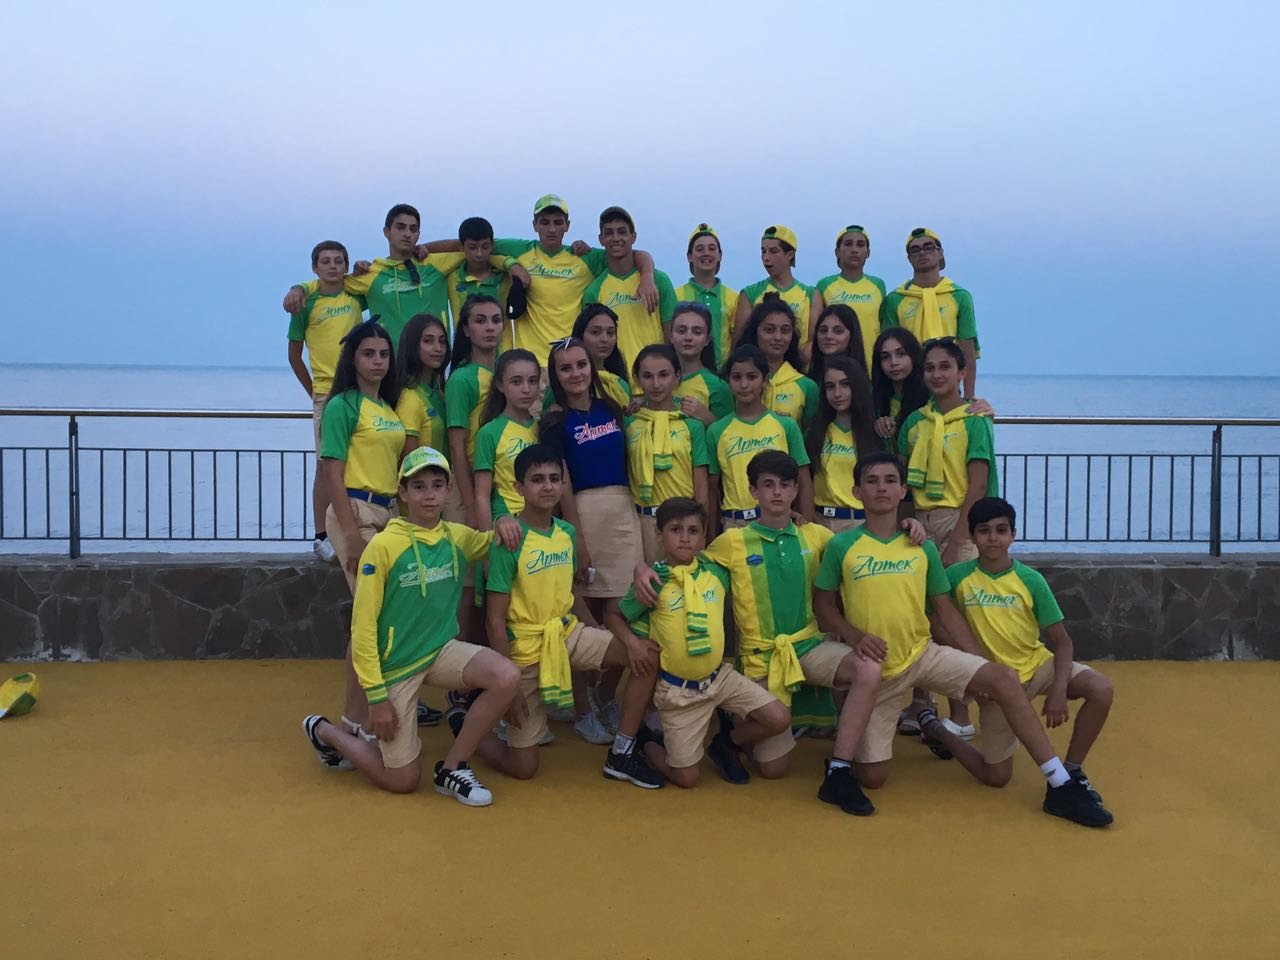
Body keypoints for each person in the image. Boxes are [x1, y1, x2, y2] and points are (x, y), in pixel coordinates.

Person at [812, 451, 1112, 826]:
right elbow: (823, 605)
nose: (881, 488)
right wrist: (854, 636)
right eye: (872, 481)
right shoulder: (842, 546)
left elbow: (944, 610)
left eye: (890, 481)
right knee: (873, 777)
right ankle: (894, 737)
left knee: (1002, 678)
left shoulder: (920, 545)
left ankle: (1060, 784)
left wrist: (978, 664)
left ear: (903, 490)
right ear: (857, 491)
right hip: (878, 668)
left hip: (924, 654)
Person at [631, 451, 885, 791]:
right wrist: (642, 568)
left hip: (809, 647)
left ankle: (839, 767)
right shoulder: (731, 542)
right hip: (761, 658)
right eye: (768, 485)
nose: (777, 492)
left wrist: (908, 527)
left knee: (868, 669)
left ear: (796, 491)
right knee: (773, 769)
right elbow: (685, 562)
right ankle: (730, 738)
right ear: (753, 491)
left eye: (785, 485)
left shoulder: (817, 536)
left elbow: (867, 543)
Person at [301, 447, 524, 806]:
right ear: (402, 493)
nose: (429, 495)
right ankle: (325, 731)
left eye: (437, 485)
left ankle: (453, 768)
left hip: (440, 651)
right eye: (418, 487)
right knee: (402, 780)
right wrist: (377, 700)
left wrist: (501, 520)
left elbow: (492, 542)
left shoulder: (457, 536)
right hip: (397, 667)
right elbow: (362, 628)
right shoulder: (383, 547)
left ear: (448, 490)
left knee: (507, 677)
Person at [912, 497, 1115, 809]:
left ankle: (1073, 771)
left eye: (1001, 530)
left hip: (1037, 667)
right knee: (996, 777)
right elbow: (934, 619)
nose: (993, 538)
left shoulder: (1031, 580)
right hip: (995, 683)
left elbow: (1062, 643)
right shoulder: (956, 577)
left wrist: (1059, 690)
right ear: (972, 536)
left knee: (1101, 688)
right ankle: (936, 728)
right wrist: (972, 668)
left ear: (1013, 535)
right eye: (984, 531)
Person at [483, 444, 663, 787]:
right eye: (537, 479)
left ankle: (622, 752)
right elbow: (494, 620)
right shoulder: (510, 540)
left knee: (646, 655)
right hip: (525, 651)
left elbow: (571, 593)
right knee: (524, 768)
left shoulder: (565, 533)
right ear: (519, 488)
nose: (548, 486)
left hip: (567, 635)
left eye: (555, 479)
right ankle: (470, 727)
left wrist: (599, 632)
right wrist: (509, 686)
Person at [608, 497, 790, 787]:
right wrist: (631, 642)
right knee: (687, 778)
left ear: (704, 536)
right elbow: (614, 615)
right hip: (680, 692)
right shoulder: (653, 581)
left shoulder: (717, 572)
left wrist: (792, 521)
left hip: (721, 679)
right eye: (675, 530)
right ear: (659, 534)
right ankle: (646, 742)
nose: (685, 538)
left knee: (779, 718)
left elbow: (752, 544)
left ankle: (727, 741)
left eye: (693, 531)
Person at [539, 337, 643, 743]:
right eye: (565, 368)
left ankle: (604, 695)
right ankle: (582, 708)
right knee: (582, 619)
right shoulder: (553, 422)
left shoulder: (611, 409)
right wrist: (576, 536)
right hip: (581, 512)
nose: (575, 373)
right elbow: (560, 480)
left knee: (626, 611)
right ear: (556, 376)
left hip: (622, 511)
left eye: (581, 364)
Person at [317, 318, 411, 740]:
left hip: (387, 512)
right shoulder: (343, 406)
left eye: (384, 354)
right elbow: (331, 473)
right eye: (368, 354)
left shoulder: (387, 409)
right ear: (352, 359)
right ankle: (356, 721)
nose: (378, 361)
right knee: (373, 615)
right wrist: (351, 534)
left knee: (373, 615)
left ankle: (355, 722)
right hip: (355, 511)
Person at [282, 204, 509, 344]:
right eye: (400, 227)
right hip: (391, 369)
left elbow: (472, 244)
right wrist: (299, 288)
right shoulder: (371, 273)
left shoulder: (435, 264)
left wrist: (427, 247)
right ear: (386, 232)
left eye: (413, 229)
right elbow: (330, 281)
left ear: (418, 234)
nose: (407, 234)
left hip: (435, 363)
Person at [489, 195, 659, 368]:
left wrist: (647, 277)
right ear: (535, 225)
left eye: (558, 222)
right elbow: (478, 245)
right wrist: (511, 265)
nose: (552, 229)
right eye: (545, 222)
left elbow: (632, 254)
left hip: (570, 363)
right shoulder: (519, 250)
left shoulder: (584, 257)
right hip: (532, 364)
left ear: (567, 225)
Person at [286, 240, 364, 561]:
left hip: (358, 392)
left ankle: (354, 527)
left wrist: (364, 269)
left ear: (345, 265)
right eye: (326, 261)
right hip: (325, 395)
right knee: (324, 466)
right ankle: (321, 537)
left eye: (338, 261)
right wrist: (314, 392)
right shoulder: (306, 303)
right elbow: (294, 355)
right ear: (314, 268)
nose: (333, 266)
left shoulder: (356, 294)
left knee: (357, 464)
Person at [898, 338, 998, 567]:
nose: (937, 375)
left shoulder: (974, 421)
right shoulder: (914, 421)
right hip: (920, 523)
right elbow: (903, 485)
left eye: (945, 367)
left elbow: (979, 485)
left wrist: (957, 542)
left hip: (959, 521)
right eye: (930, 368)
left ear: (961, 372)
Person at [707, 345, 813, 532]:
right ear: (728, 381)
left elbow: (803, 481)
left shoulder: (786, 425)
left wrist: (809, 530)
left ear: (765, 379)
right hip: (735, 525)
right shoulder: (717, 430)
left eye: (752, 377)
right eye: (736, 377)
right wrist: (711, 536)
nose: (744, 385)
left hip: (780, 521)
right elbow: (712, 491)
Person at [625, 345, 709, 562]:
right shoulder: (630, 423)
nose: (656, 384)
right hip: (642, 521)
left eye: (663, 375)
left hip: (684, 523)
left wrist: (700, 529)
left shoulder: (692, 425)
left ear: (677, 377)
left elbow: (701, 485)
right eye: (647, 376)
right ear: (637, 379)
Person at [881, 227, 979, 398]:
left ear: (940, 253)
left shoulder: (959, 296)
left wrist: (969, 397)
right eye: (915, 249)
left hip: (947, 386)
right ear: (909, 258)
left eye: (928, 247)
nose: (922, 253)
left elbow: (967, 351)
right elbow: (887, 350)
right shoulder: (895, 299)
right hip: (906, 390)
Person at [583, 206, 677, 375]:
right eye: (609, 233)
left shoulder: (659, 280)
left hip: (654, 380)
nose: (616, 238)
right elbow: (590, 345)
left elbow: (672, 334)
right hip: (616, 381)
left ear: (633, 236)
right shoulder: (594, 291)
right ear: (601, 239)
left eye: (622, 232)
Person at [806, 356, 880, 535]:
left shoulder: (875, 432)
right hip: (820, 521)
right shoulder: (814, 432)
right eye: (830, 387)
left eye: (845, 384)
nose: (837, 394)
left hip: (860, 522)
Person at [472, 350, 541, 533]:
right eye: (516, 382)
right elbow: (482, 496)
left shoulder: (544, 428)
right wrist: (488, 540)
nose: (526, 389)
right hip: (507, 526)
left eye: (532, 381)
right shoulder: (489, 432)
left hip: (542, 523)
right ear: (500, 385)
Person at [735, 225, 817, 356]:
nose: (766, 257)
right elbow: (741, 341)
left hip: (799, 366)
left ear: (790, 255)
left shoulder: (811, 294)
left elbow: (814, 341)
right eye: (763, 251)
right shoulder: (750, 293)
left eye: (773, 251)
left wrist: (794, 364)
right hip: (761, 366)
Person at [737, 297, 819, 427]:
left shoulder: (807, 386)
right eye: (769, 330)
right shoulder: (736, 381)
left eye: (785, 330)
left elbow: (810, 435)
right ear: (755, 332)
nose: (778, 337)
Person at [446, 217, 523, 352]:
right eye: (472, 248)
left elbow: (524, 277)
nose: (479, 253)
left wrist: (508, 263)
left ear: (492, 245)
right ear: (460, 247)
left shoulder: (505, 276)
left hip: (502, 354)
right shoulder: (451, 277)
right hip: (464, 354)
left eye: (485, 247)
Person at [813, 225, 885, 368]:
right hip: (835, 367)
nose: (854, 250)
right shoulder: (824, 285)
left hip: (871, 365)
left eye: (860, 245)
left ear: (868, 253)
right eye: (848, 244)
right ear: (837, 252)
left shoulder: (878, 285)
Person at [676, 223, 739, 366]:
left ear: (720, 256)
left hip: (722, 374)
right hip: (685, 373)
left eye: (712, 249)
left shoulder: (734, 298)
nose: (706, 253)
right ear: (689, 257)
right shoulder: (676, 296)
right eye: (700, 249)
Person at [669, 301, 732, 427]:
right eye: (681, 331)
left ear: (707, 340)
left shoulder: (718, 386)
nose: (688, 337)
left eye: (697, 332)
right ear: (671, 336)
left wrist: (707, 418)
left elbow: (728, 434)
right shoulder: (658, 377)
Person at [395, 314, 449, 459]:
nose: (438, 348)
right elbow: (410, 461)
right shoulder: (409, 397)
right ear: (412, 344)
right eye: (428, 341)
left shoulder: (440, 391)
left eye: (442, 341)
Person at [565, 303, 632, 411]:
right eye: (595, 332)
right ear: (581, 335)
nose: (604, 339)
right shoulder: (566, 380)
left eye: (610, 333)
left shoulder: (620, 384)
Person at [807, 303, 868, 388]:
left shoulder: (865, 385)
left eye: (838, 331)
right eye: (823, 330)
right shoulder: (806, 384)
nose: (828, 336)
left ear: (852, 336)